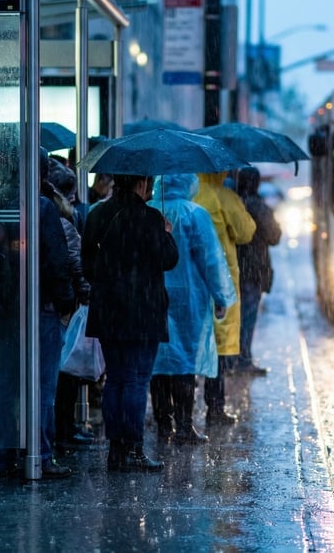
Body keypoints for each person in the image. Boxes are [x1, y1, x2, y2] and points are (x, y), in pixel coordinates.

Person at [0, 143, 75, 478]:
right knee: (42, 388)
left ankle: (2, 453)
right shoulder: (41, 206)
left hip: (4, 310)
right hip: (39, 309)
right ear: (39, 171)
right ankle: (38, 454)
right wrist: (66, 301)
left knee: (3, 385)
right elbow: (57, 261)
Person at [82, 173, 179, 472]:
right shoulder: (150, 217)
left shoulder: (98, 213)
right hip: (143, 311)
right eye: (148, 183)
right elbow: (169, 260)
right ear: (140, 183)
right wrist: (166, 232)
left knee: (115, 378)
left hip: (110, 309)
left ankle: (116, 450)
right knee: (137, 379)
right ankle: (134, 449)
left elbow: (88, 267)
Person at [147, 174, 235, 445]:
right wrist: (221, 296)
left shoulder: (150, 210)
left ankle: (164, 424)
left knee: (159, 360)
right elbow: (210, 260)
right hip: (190, 298)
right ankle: (184, 426)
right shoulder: (196, 214)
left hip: (154, 296)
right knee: (185, 360)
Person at [194, 171, 255, 426]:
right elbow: (246, 232)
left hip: (190, 276)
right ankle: (215, 407)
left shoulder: (190, 195)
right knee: (217, 346)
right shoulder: (224, 197)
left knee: (185, 344)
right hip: (220, 275)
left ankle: (174, 413)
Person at [45, 159, 97, 452]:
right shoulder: (63, 220)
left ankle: (59, 427)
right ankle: (62, 427)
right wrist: (82, 297)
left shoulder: (42, 212)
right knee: (65, 371)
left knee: (60, 370)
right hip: (61, 305)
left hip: (51, 302)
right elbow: (77, 264)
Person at [233, 167, 282, 376]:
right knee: (247, 315)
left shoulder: (233, 203)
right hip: (253, 268)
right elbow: (275, 236)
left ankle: (232, 359)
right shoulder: (258, 206)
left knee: (234, 315)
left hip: (234, 266)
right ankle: (243, 359)